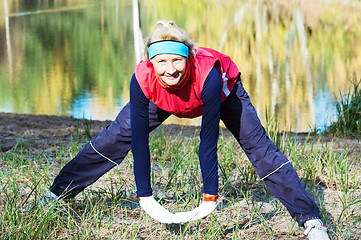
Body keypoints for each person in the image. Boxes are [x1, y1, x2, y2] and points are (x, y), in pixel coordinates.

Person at [44, 20, 329, 239]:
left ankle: (311, 220)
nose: (170, 69)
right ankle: (58, 193)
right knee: (116, 136)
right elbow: (139, 143)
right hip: (164, 98)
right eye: (161, 62)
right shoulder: (143, 78)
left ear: (188, 57)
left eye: (177, 60)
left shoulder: (209, 75)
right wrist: (146, 196)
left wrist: (210, 196)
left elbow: (208, 141)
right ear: (150, 62)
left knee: (260, 149)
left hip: (222, 96)